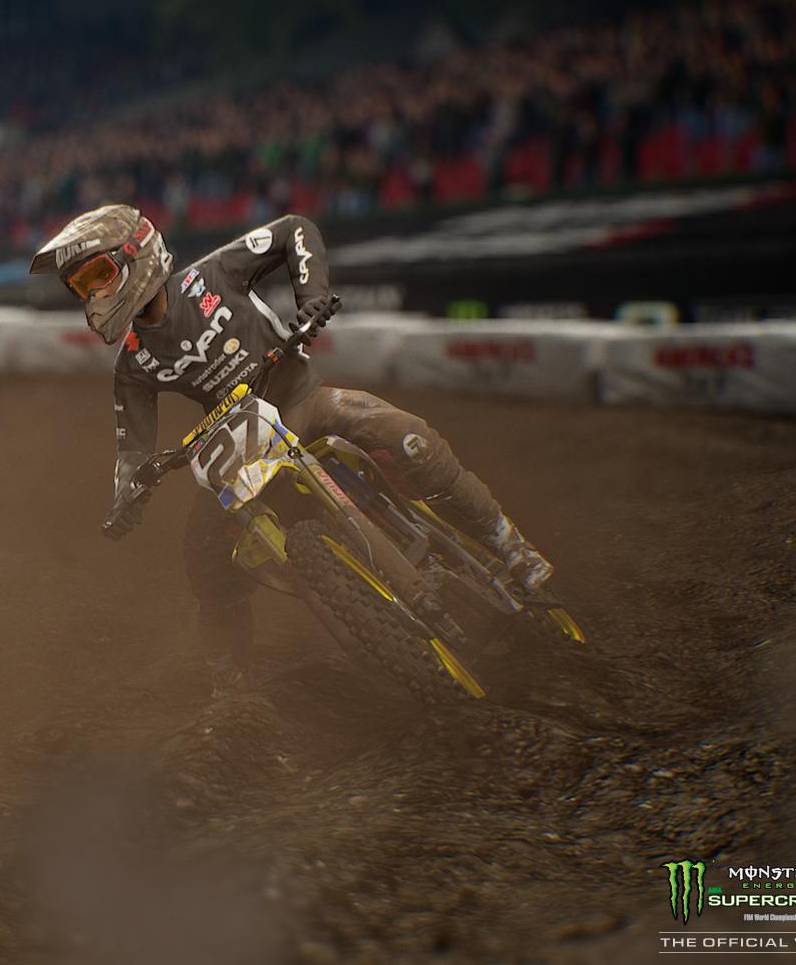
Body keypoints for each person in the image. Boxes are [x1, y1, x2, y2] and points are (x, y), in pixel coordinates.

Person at [29, 204, 553, 700]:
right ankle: (230, 684)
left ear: (135, 253)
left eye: (97, 275)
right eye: (81, 286)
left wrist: (312, 299)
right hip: (239, 446)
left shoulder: (208, 278)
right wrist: (128, 497)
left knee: (407, 438)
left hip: (302, 400)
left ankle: (510, 546)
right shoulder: (133, 364)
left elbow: (293, 229)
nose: (92, 293)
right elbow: (133, 450)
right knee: (204, 561)